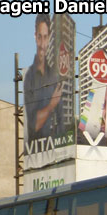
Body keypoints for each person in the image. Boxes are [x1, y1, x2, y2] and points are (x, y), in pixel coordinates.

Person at [24, 14, 62, 145]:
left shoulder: (54, 76)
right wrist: (52, 105)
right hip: (36, 153)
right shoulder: (29, 77)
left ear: (49, 38)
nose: (42, 44)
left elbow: (61, 122)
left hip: (56, 154)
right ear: (35, 37)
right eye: (40, 37)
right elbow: (33, 125)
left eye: (45, 37)